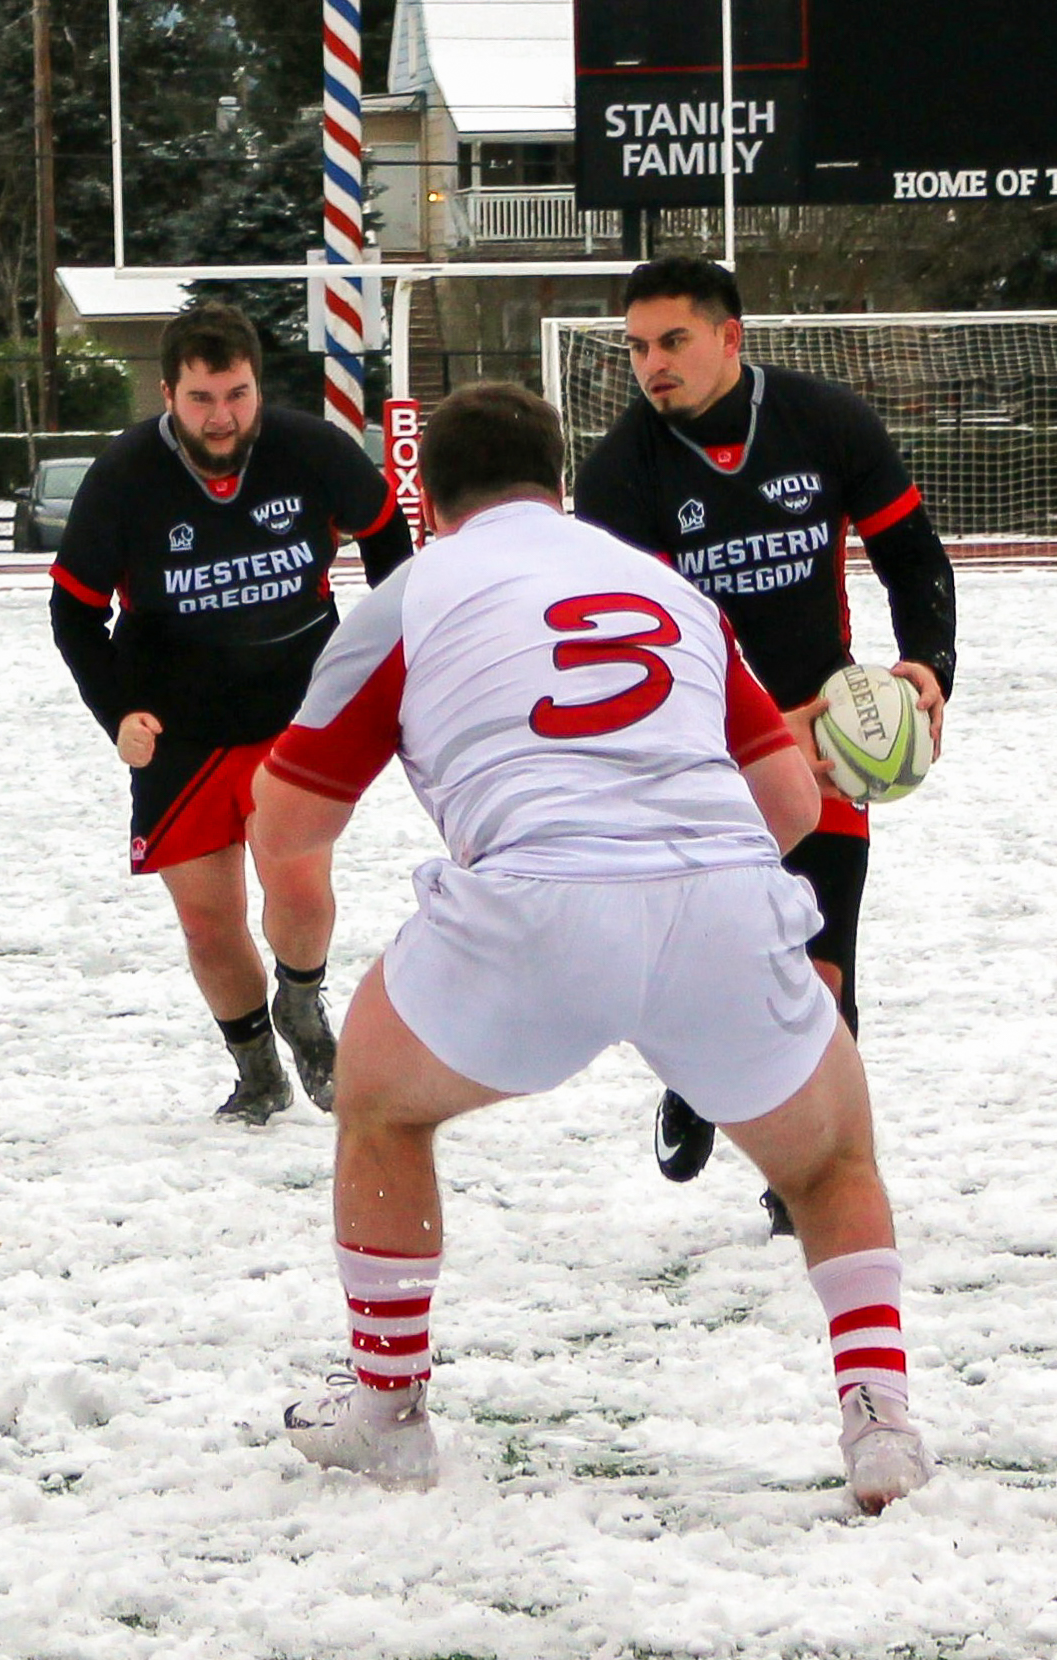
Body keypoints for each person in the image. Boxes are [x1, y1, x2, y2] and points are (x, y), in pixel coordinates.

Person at [252, 382, 930, 1513]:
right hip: (717, 897)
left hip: (533, 910)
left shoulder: (411, 595)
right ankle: (880, 1422)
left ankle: (386, 1408)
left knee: (377, 1099)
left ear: (426, 502)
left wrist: (301, 965)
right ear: (559, 485)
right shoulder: (665, 585)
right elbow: (788, 804)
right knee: (828, 1161)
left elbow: (288, 824)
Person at [573, 257, 956, 1233]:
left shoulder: (823, 423)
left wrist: (927, 667)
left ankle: (803, 1183)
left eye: (671, 341)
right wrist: (748, 736)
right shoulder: (618, 473)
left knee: (820, 973)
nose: (650, 364)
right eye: (635, 348)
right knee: (711, 955)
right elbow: (629, 654)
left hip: (826, 739)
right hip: (685, 749)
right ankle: (696, 1067)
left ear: (729, 336)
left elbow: (911, 556)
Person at [50, 300, 414, 1125]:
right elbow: (73, 610)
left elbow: (386, 534)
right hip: (178, 729)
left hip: (292, 715)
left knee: (299, 887)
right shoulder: (124, 478)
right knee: (209, 925)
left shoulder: (310, 451)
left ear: (258, 387)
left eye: (237, 395)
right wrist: (117, 712)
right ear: (167, 395)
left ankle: (302, 1003)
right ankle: (256, 1072)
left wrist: (382, 649)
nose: (221, 417)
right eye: (201, 399)